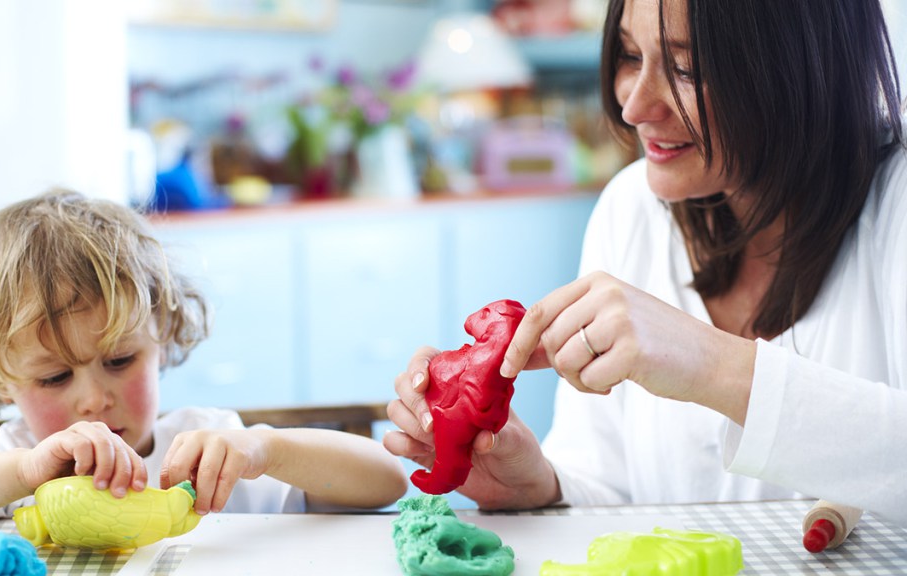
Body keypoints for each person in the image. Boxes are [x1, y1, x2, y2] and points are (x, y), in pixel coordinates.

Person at [384, 0, 907, 526]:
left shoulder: (896, 205)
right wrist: (539, 486)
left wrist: (710, 363)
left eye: (687, 69)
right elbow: (609, 484)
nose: (635, 106)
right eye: (631, 56)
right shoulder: (631, 207)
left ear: (804, 66)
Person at [0, 190, 407, 544]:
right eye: (54, 377)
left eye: (119, 359)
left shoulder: (207, 450)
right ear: (0, 377)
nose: (93, 398)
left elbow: (388, 482)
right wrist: (19, 474)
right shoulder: (10, 465)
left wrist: (266, 447)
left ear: (163, 334)